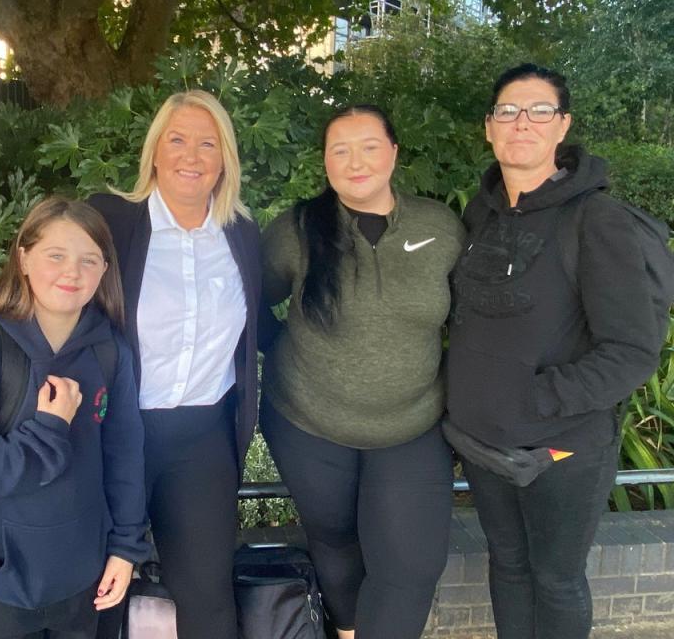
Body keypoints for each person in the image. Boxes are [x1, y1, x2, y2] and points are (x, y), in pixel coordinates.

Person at [446, 63, 664, 639]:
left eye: (539, 111)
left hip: (558, 450)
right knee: (509, 566)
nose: (523, 123)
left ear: (561, 126)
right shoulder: (479, 213)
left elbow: (634, 349)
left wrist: (537, 398)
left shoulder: (596, 219)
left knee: (556, 580)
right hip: (483, 441)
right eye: (508, 111)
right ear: (488, 128)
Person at [259, 105, 464, 639]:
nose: (356, 161)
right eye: (340, 149)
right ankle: (348, 630)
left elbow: (470, 321)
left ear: (394, 152)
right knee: (334, 540)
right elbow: (250, 305)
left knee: (412, 566)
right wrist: (281, 347)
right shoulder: (296, 231)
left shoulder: (440, 228)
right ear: (325, 162)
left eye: (369, 146)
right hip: (308, 424)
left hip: (412, 428)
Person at [0, 197, 149, 639]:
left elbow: (125, 458)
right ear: (23, 259)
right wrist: (45, 432)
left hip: (82, 586)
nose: (72, 272)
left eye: (89, 260)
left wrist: (125, 547)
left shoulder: (109, 352)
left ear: (105, 270)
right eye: (56, 255)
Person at [88, 90, 262, 639]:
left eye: (208, 143)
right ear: (156, 152)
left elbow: (263, 326)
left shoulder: (242, 234)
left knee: (207, 596)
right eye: (178, 139)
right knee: (97, 588)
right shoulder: (111, 221)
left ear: (224, 159)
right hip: (112, 433)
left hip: (201, 439)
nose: (192, 155)